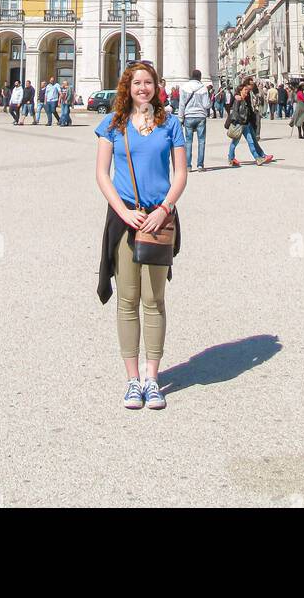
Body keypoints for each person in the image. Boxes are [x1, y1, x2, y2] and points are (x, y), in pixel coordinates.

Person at [95, 61, 187, 411]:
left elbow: (181, 173)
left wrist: (164, 209)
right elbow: (102, 175)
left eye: (148, 83)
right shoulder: (112, 125)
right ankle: (132, 380)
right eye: (137, 83)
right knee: (127, 300)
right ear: (127, 88)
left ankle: (152, 377)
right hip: (125, 221)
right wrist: (124, 212)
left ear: (156, 87)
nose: (143, 88)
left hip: (159, 221)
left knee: (154, 300)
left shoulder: (170, 124)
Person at [226, 80, 274, 167]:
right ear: (240, 91)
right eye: (245, 90)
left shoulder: (245, 98)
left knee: (251, 141)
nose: (247, 91)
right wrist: (240, 121)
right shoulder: (238, 100)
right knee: (234, 143)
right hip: (240, 125)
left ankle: (258, 158)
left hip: (246, 124)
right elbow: (235, 113)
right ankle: (231, 158)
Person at [178, 68, 211, 172]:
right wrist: (210, 102)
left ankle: (188, 166)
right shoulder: (203, 88)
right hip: (200, 116)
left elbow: (182, 104)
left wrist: (180, 117)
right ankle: (200, 165)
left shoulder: (184, 87)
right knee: (201, 141)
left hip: (188, 116)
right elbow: (206, 105)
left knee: (188, 142)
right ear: (200, 77)